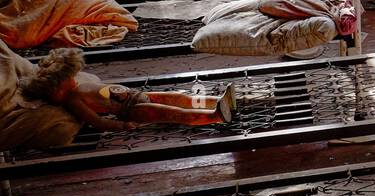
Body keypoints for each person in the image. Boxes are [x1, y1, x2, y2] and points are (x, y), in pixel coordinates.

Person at [19, 48, 236, 132]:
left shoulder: (80, 83)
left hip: (136, 94)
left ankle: (216, 99)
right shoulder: (73, 100)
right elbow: (97, 121)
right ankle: (215, 115)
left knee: (177, 97)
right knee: (171, 113)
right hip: (131, 109)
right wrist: (122, 125)